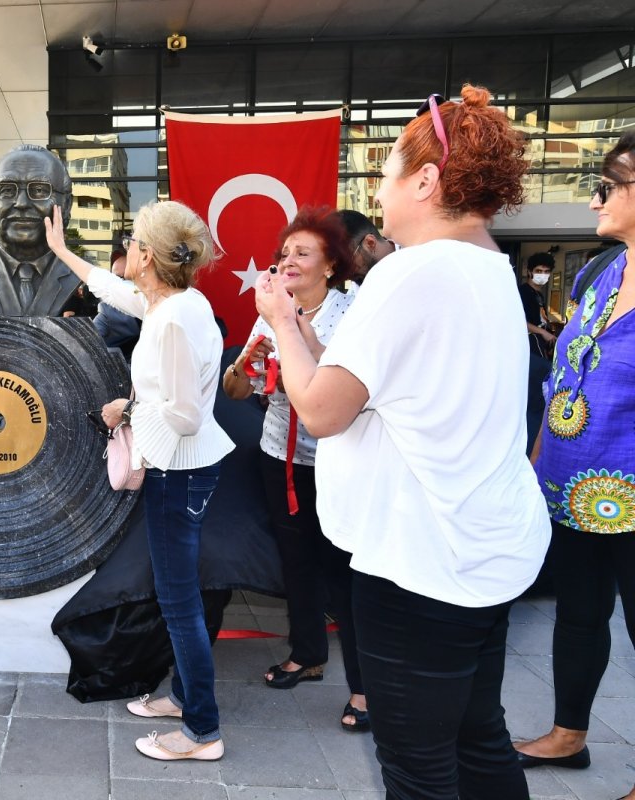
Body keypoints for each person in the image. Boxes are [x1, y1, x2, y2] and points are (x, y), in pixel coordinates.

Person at [253, 85, 549, 798]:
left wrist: (283, 323)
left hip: (423, 564)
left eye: (385, 173)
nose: (377, 192)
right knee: (478, 740)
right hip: (480, 547)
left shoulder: (412, 272)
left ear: (425, 181)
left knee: (419, 770)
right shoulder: (488, 267)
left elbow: (322, 411)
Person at [46, 200, 234, 761]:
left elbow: (185, 415)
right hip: (184, 467)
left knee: (178, 601)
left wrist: (124, 410)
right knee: (180, 594)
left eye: (131, 242)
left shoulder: (171, 320)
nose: (125, 249)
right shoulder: (172, 303)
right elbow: (111, 289)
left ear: (147, 256)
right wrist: (61, 252)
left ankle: (201, 731)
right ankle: (184, 698)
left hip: (179, 471)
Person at [514, 133, 635, 800]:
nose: (594, 200)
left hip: (630, 493)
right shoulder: (599, 272)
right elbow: (562, 377)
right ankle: (568, 734)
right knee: (579, 615)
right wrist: (537, 462)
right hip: (573, 485)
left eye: (608, 186)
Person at [222, 207, 367, 733]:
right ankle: (307, 654)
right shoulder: (270, 312)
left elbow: (351, 384)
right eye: (284, 252)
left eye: (303, 253)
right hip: (278, 455)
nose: (288, 261)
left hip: (336, 459)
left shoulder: (353, 312)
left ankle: (365, 686)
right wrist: (245, 365)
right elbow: (235, 392)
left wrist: (303, 344)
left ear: (330, 266)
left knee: (344, 572)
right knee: (296, 561)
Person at [0, 145, 81, 316]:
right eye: (7, 190)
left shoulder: (81, 273)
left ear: (66, 205)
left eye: (39, 190)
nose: (22, 203)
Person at [94, 248, 142, 358]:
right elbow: (88, 341)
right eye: (116, 278)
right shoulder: (108, 312)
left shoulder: (159, 305)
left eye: (127, 278)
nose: (122, 284)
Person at [336, 209, 396, 284]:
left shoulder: (409, 256)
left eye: (347, 261)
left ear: (370, 243)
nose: (346, 274)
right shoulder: (359, 286)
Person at [520, 252, 557, 359]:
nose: (542, 274)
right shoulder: (522, 292)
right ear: (529, 272)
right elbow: (518, 321)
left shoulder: (539, 294)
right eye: (538, 271)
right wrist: (543, 332)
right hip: (529, 344)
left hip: (541, 343)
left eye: (546, 271)